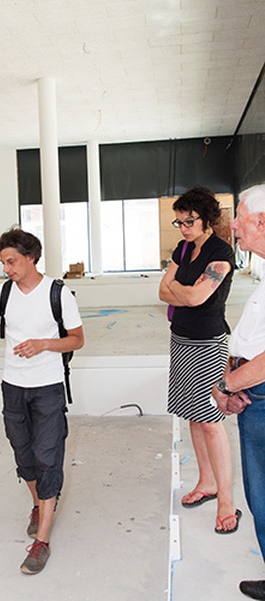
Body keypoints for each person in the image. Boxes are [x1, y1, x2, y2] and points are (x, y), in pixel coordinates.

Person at [0, 226, 84, 575]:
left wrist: (44, 344)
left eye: (11, 261)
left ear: (31, 258)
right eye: (3, 262)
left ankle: (42, 540)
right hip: (13, 387)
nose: (6, 268)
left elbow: (77, 339)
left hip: (48, 387)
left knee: (48, 457)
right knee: (23, 455)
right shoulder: (2, 293)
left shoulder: (57, 293)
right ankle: (38, 503)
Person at [159, 185, 241, 534]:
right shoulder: (183, 248)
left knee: (211, 421)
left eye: (189, 221)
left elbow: (195, 298)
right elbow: (162, 290)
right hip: (180, 338)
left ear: (207, 218)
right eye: (179, 222)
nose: (184, 228)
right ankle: (206, 482)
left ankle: (226, 500)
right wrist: (184, 292)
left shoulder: (221, 253)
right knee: (192, 414)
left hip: (208, 342)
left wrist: (180, 291)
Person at [211, 184, 265, 599]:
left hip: (256, 394)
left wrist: (228, 385)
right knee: (259, 493)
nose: (233, 226)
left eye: (240, 218)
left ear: (262, 222)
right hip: (252, 392)